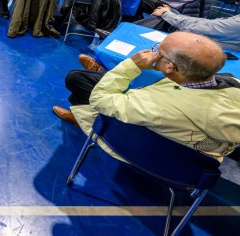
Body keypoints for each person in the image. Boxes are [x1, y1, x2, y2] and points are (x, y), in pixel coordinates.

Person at [52, 32, 240, 161]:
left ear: (170, 67)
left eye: (159, 51)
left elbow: (100, 100)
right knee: (88, 78)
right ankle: (101, 73)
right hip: (193, 156)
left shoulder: (153, 105)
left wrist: (130, 66)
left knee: (77, 79)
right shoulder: (232, 85)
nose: (154, 52)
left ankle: (81, 118)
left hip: (138, 149)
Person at [133, 4, 240, 52]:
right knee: (168, 13)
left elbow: (205, 27)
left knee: (162, 15)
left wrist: (166, 13)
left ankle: (128, 35)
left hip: (203, 42)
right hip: (208, 35)